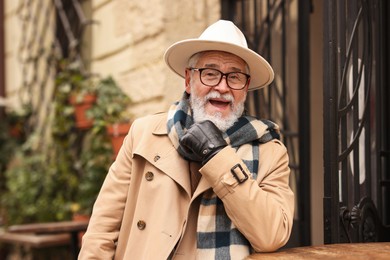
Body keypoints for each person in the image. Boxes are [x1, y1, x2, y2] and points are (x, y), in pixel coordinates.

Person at [78, 20, 294, 259]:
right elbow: (102, 231)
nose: (222, 87)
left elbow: (272, 235)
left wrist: (219, 155)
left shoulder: (269, 150)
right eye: (210, 74)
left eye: (234, 77)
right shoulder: (143, 133)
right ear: (189, 80)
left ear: (246, 87)